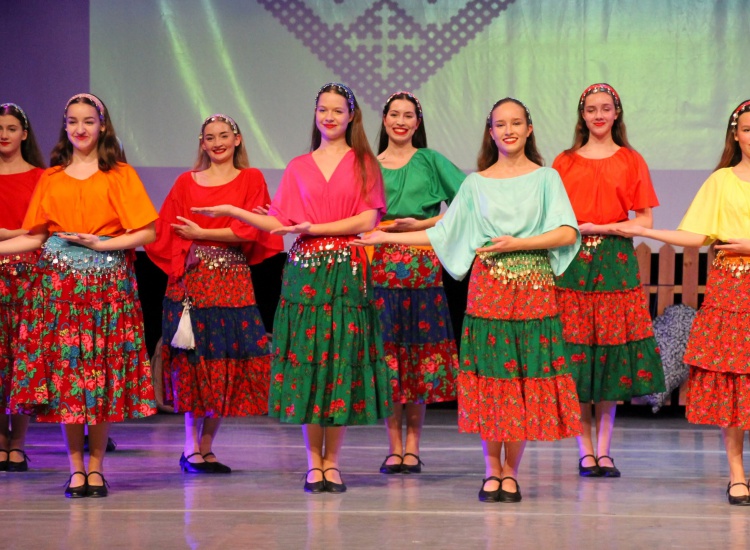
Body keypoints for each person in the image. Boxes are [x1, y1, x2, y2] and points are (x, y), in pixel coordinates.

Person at [356, 98, 582, 502]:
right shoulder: (477, 183)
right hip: (489, 289)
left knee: (522, 378)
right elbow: (444, 233)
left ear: (529, 129)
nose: (508, 130)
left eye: (516, 123)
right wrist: (386, 236)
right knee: (493, 378)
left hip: (532, 288)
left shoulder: (547, 178)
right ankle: (491, 470)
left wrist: (519, 243)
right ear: (490, 132)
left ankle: (511, 472)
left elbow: (567, 232)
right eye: (500, 124)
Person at [194, 83, 392, 493]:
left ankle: (332, 463)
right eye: (323, 110)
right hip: (304, 273)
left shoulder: (363, 163)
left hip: (345, 271)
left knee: (338, 362)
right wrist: (234, 211)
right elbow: (280, 222)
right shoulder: (300, 165)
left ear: (351, 116)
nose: (329, 117)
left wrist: (314, 227)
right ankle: (313, 463)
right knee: (309, 363)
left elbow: (367, 220)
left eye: (337, 110)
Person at [0, 93, 158, 497]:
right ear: (65, 126)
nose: (80, 129)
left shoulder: (119, 174)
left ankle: (97, 468)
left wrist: (102, 244)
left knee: (99, 377)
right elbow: (35, 237)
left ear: (102, 125)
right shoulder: (52, 177)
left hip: (107, 287)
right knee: (69, 377)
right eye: (73, 121)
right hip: (60, 289)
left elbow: (148, 232)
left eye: (88, 121)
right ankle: (75, 469)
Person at [617, 100, 750, 505]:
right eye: (747, 129)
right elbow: (697, 234)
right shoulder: (721, 181)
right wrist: (648, 233)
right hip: (732, 285)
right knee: (733, 378)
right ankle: (737, 473)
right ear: (735, 135)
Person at [145, 114, 283, 474]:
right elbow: (168, 230)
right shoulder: (185, 182)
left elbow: (248, 231)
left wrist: (202, 234)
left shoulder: (252, 179)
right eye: (210, 137)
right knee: (195, 363)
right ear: (202, 143)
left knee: (226, 361)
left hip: (232, 283)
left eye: (224, 135)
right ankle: (190, 447)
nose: (218, 142)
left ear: (237, 139)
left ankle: (207, 447)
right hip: (192, 283)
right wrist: (194, 242)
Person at [552, 83, 665, 478]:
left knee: (610, 353)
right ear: (582, 116)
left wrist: (603, 227)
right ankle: (585, 451)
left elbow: (644, 221)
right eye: (591, 109)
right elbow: (553, 217)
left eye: (605, 108)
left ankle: (604, 450)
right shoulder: (564, 161)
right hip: (573, 262)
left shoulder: (631, 160)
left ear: (616, 113)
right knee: (579, 355)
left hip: (615, 262)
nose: (598, 115)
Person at [370, 91, 463, 474]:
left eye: (408, 115)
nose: (401, 121)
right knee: (390, 357)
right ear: (384, 119)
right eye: (395, 114)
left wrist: (424, 224)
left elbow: (468, 202)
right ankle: (394, 447)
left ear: (418, 122)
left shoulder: (430, 160)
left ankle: (413, 447)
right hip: (381, 266)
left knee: (420, 357)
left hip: (423, 265)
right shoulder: (369, 164)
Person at [0, 102, 46, 472]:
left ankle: (18, 443)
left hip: (29, 278)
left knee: (22, 360)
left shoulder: (41, 178)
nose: (4, 135)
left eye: (11, 128)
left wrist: (9, 233)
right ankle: (0, 441)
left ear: (24, 134)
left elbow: (43, 229)